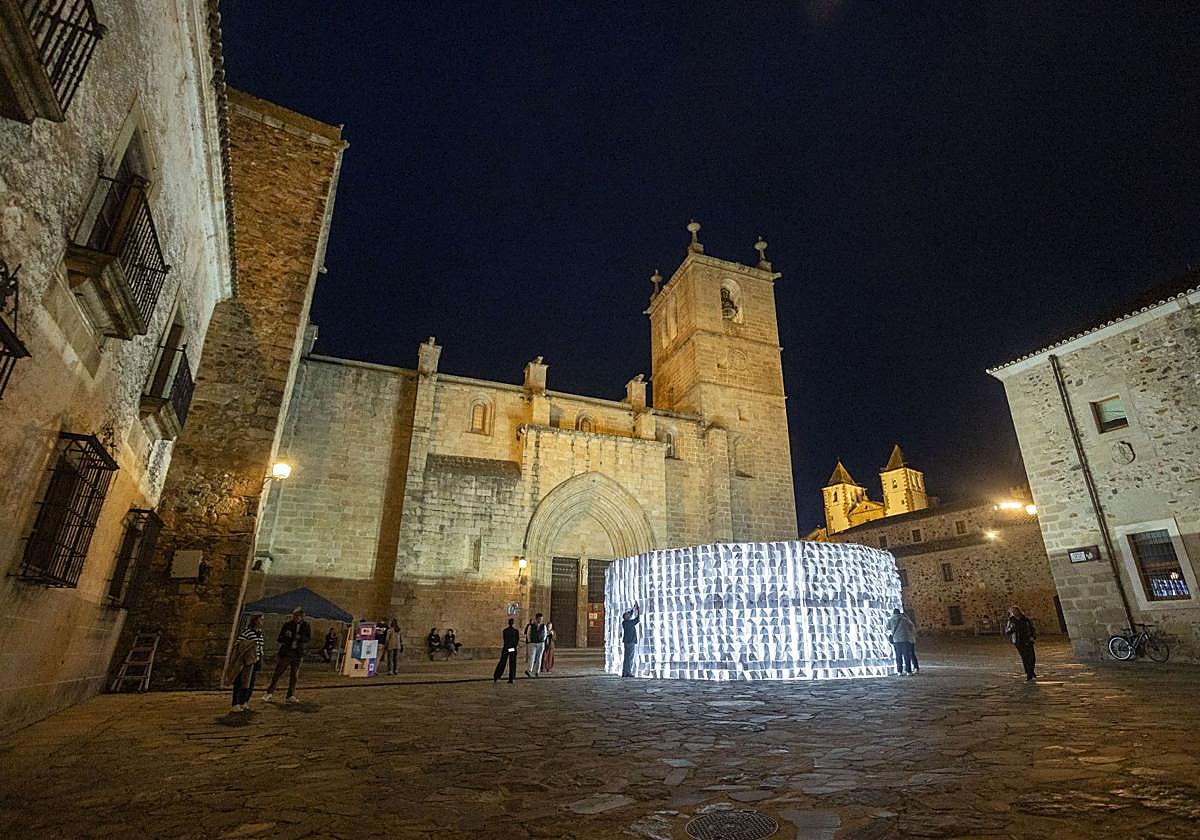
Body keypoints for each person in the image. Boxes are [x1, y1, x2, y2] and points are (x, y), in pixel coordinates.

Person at [264, 606, 311, 703]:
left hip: (298, 653)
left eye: (299, 616)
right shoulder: (287, 625)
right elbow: (280, 638)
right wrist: (287, 636)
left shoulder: (306, 625)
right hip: (287, 652)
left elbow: (307, 638)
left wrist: (299, 637)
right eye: (296, 615)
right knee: (278, 673)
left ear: (302, 617)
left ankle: (290, 695)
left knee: (294, 675)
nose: (297, 617)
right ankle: (269, 693)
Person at [229, 613, 264, 712]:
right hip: (246, 661)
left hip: (255, 660)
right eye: (261, 619)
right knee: (240, 682)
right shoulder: (248, 632)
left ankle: (244, 702)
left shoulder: (260, 633)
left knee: (250, 683)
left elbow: (260, 647)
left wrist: (260, 657)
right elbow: (239, 644)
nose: (262, 622)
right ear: (255, 621)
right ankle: (235, 703)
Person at [1004, 605, 1038, 681]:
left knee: (1032, 657)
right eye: (1013, 611)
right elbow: (1007, 631)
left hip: (1028, 640)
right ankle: (1029, 673)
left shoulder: (1025, 619)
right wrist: (1012, 629)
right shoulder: (1011, 621)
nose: (1014, 612)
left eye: (1015, 611)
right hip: (1018, 641)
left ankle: (1031, 671)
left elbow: (1032, 628)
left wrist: (1033, 636)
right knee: (1025, 657)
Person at [886, 608, 916, 675]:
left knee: (898, 656)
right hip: (905, 640)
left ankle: (899, 671)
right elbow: (911, 626)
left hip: (896, 640)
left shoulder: (891, 620)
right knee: (906, 656)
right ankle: (908, 671)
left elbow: (887, 627)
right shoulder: (905, 620)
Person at [494, 618, 520, 684]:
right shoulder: (515, 631)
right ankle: (511, 678)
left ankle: (497, 676)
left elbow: (505, 640)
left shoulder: (505, 631)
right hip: (512, 648)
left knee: (502, 662)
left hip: (506, 648)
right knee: (512, 663)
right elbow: (516, 641)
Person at [621, 603, 641, 677]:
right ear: (626, 617)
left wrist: (633, 608)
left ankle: (625, 672)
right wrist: (638, 610)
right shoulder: (628, 623)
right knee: (629, 658)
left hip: (627, 642)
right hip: (630, 642)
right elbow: (637, 619)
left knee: (627, 658)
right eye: (627, 614)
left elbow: (631, 615)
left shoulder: (625, 622)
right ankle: (628, 672)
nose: (629, 615)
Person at [524, 613, 547, 677]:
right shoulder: (531, 626)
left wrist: (542, 640)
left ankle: (537, 671)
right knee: (531, 657)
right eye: (539, 619)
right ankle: (529, 670)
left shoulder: (543, 626)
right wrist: (529, 642)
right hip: (533, 643)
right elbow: (528, 634)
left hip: (541, 643)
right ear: (536, 619)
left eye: (541, 619)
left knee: (539, 658)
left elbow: (545, 634)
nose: (540, 620)